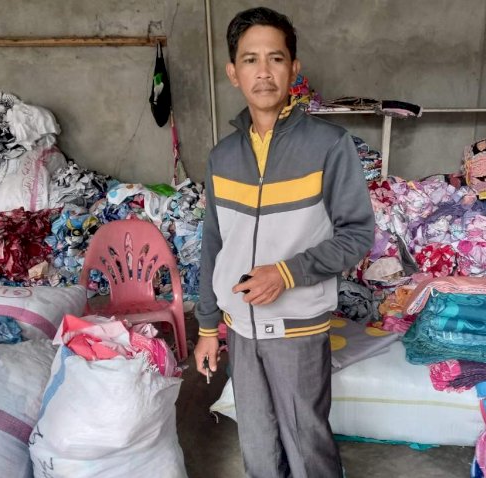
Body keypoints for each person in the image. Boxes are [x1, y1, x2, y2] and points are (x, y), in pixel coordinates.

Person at [194, 7, 374, 478]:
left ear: (294, 68)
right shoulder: (222, 157)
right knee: (257, 446)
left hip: (297, 328)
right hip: (240, 329)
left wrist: (287, 273)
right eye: (250, 60)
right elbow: (213, 244)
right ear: (233, 72)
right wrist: (208, 328)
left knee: (306, 445)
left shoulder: (329, 145)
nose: (263, 71)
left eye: (275, 58)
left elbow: (358, 234)